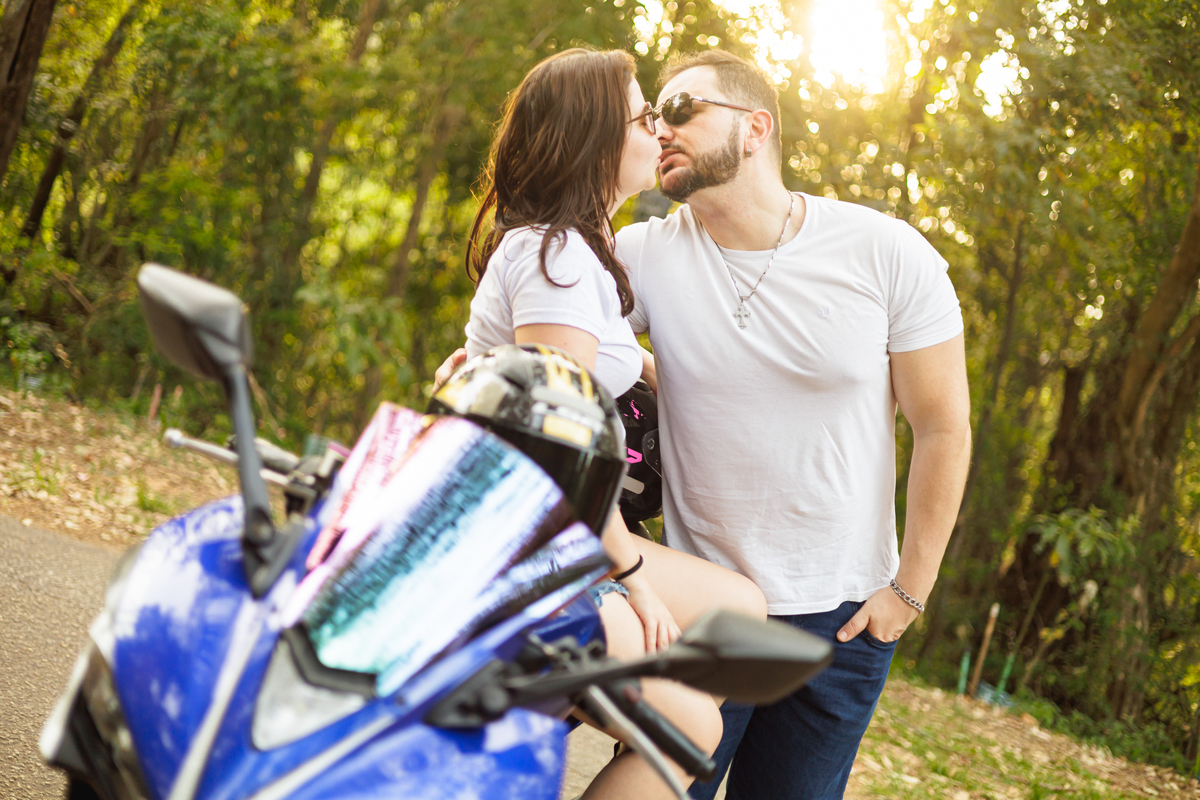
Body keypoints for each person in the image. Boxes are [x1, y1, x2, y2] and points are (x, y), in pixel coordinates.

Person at [610, 50, 972, 800]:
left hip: (844, 623)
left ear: (755, 128)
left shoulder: (886, 252)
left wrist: (908, 594)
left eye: (682, 109)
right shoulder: (640, 256)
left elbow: (943, 426)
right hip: (704, 608)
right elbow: (559, 348)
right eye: (652, 115)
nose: (660, 128)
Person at [446, 47, 768, 799]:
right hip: (530, 542)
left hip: (551, 525)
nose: (659, 129)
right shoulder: (557, 258)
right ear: (595, 140)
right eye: (643, 116)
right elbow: (561, 449)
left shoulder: (577, 253)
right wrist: (631, 580)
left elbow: (591, 374)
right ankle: (557, 704)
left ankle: (556, 710)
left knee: (741, 614)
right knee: (693, 731)